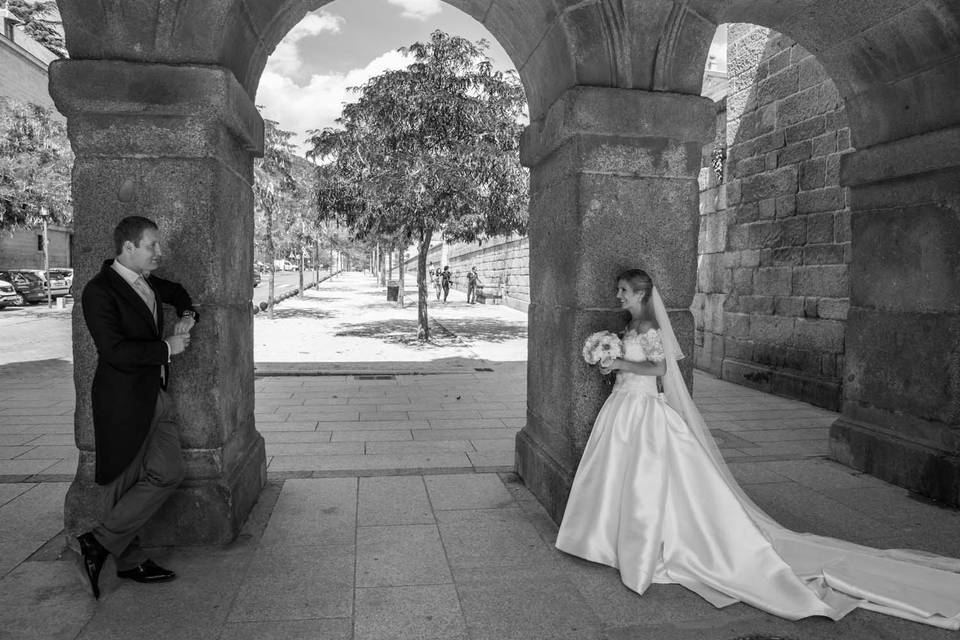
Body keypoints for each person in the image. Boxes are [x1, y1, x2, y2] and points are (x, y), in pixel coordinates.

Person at [556, 268, 960, 629]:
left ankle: (647, 547)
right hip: (622, 408)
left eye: (624, 290)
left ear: (643, 294)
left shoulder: (650, 330)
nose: (618, 296)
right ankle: (606, 538)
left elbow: (662, 370)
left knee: (644, 481)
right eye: (618, 291)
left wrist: (621, 365)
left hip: (643, 411)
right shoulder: (628, 328)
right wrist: (610, 363)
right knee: (614, 477)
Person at [76, 216, 199, 599]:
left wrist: (187, 317)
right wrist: (166, 348)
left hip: (157, 396)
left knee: (169, 470)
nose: (158, 253)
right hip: (124, 399)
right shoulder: (99, 291)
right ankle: (127, 561)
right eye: (152, 246)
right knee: (123, 480)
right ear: (128, 247)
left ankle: (99, 542)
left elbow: (179, 293)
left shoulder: (147, 282)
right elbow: (113, 351)